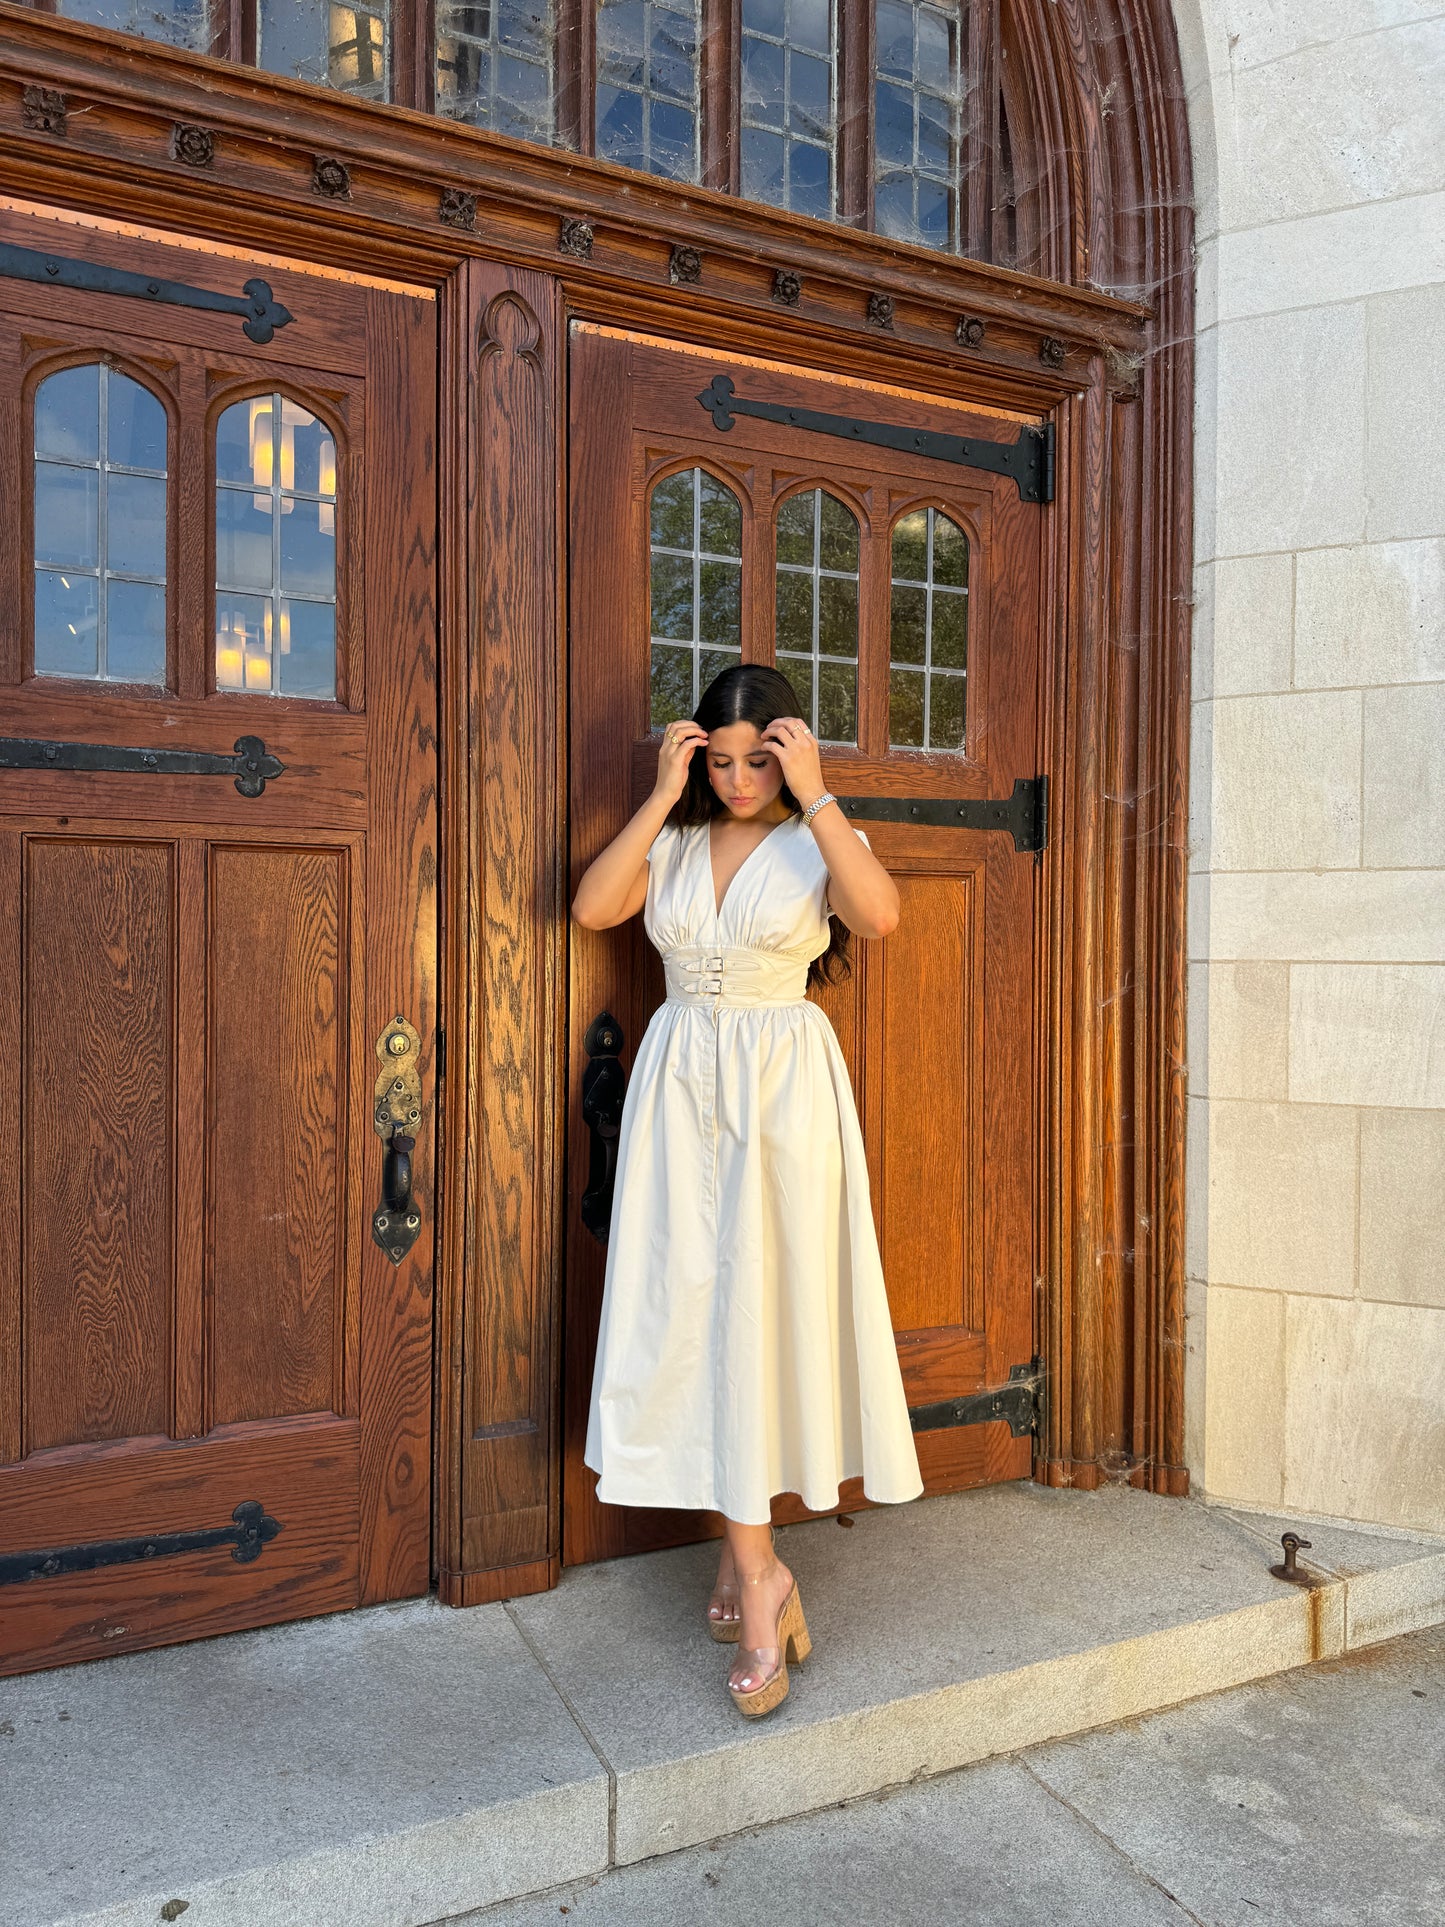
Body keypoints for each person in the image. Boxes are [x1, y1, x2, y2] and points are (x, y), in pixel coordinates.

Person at [570, 664, 925, 1718]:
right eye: (717, 762)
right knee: (690, 1312)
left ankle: (757, 1573)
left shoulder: (811, 837)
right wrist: (657, 788)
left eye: (751, 760)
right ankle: (747, 1560)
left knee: (763, 1314)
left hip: (782, 1099)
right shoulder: (672, 845)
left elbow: (881, 915)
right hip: (681, 1097)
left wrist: (815, 790)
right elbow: (594, 905)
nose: (734, 780)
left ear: (784, 753)